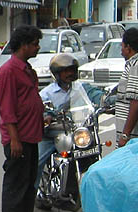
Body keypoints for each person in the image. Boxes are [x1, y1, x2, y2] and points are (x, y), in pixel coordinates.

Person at [0, 25, 49, 212]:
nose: (37, 48)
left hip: (32, 134)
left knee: (29, 183)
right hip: (18, 138)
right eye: (35, 44)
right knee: (15, 185)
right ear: (24, 45)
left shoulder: (27, 69)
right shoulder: (9, 70)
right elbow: (7, 107)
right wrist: (14, 138)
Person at [36, 53, 104, 190]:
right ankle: (32, 194)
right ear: (57, 74)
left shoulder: (82, 88)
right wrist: (46, 115)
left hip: (77, 132)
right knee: (36, 162)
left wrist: (107, 102)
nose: (70, 74)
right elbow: (40, 108)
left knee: (96, 152)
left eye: (72, 70)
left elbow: (97, 96)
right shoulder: (46, 93)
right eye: (66, 71)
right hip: (54, 134)